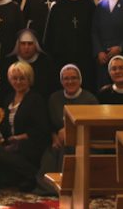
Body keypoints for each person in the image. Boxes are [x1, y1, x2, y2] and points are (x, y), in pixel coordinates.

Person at [0, 61, 50, 192]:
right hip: (12, 143)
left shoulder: (36, 99)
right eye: (14, 78)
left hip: (30, 144)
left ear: (29, 79)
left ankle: (33, 175)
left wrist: (19, 138)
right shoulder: (8, 98)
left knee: (7, 152)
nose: (18, 82)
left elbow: (41, 129)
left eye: (22, 78)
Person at [39, 64, 97, 192]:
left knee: (67, 150)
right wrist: (54, 137)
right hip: (59, 141)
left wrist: (71, 133)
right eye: (66, 78)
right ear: (61, 81)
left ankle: (68, 186)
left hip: (83, 141)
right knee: (50, 156)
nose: (70, 81)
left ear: (80, 80)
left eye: (74, 78)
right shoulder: (54, 98)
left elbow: (94, 127)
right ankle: (52, 187)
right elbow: (50, 124)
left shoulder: (90, 99)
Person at [44, 0, 95, 85]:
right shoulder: (57, 7)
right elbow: (50, 33)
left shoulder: (89, 6)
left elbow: (94, 31)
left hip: (84, 55)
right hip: (61, 55)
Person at [0, 29, 59, 102]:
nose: (26, 47)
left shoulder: (46, 63)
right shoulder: (8, 62)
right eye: (23, 43)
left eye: (30, 44)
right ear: (18, 45)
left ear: (36, 45)